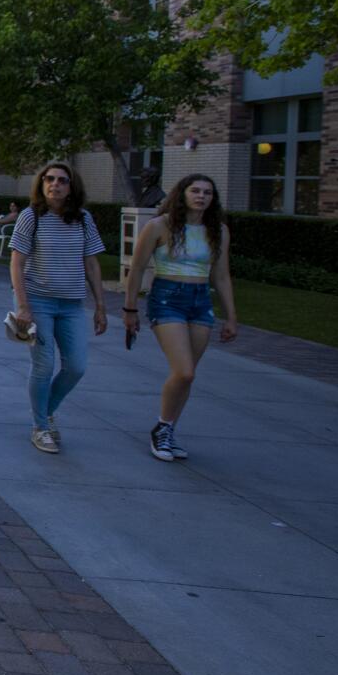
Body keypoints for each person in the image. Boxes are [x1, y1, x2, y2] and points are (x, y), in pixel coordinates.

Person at [123, 173, 239, 463]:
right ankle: (161, 429)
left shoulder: (219, 230)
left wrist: (231, 318)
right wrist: (130, 309)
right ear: (183, 194)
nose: (201, 196)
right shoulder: (159, 226)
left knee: (187, 377)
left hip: (200, 300)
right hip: (167, 298)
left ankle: (168, 429)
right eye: (196, 191)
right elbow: (136, 269)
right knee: (184, 371)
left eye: (208, 193)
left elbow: (222, 276)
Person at [8, 162, 109, 455]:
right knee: (43, 364)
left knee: (76, 366)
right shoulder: (31, 217)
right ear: (41, 184)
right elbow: (17, 262)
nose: (55, 184)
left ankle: (45, 411)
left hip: (72, 303)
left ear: (71, 186)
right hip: (37, 300)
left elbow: (91, 262)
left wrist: (101, 306)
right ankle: (41, 427)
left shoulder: (83, 219)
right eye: (49, 179)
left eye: (62, 180)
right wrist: (23, 305)